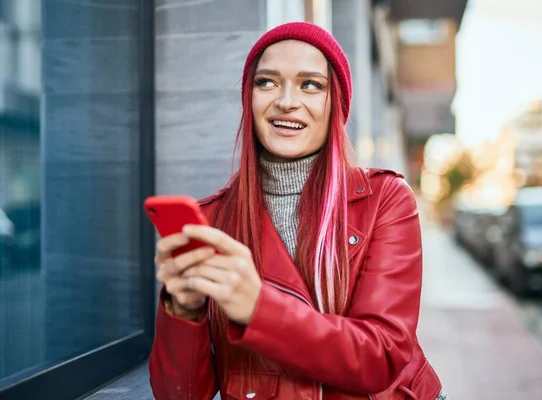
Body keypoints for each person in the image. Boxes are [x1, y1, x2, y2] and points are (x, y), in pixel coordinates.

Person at [149, 22, 447, 400]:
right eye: (267, 82)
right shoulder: (212, 222)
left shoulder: (384, 199)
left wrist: (258, 307)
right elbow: (181, 395)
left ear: (335, 103)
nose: (286, 101)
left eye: (311, 84)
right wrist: (184, 309)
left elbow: (382, 355)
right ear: (249, 98)